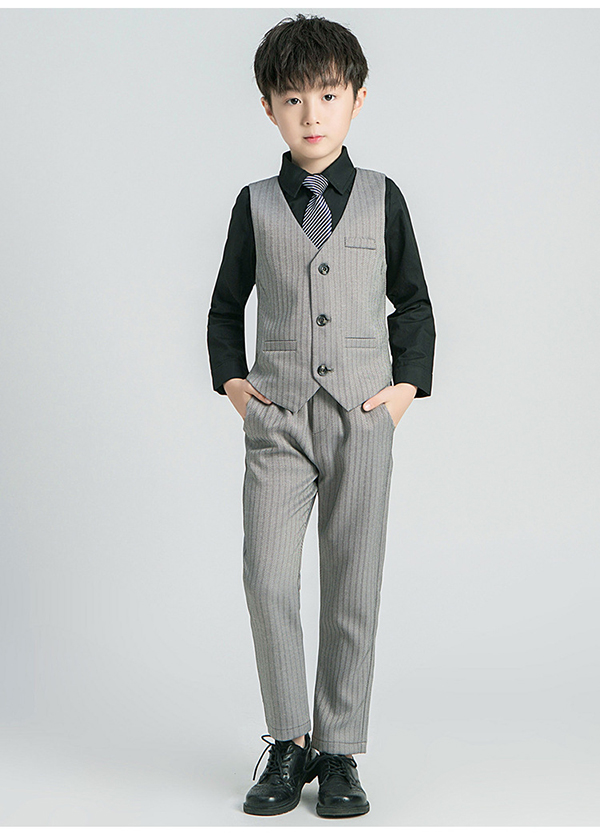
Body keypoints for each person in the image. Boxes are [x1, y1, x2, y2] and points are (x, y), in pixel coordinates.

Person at [206, 13, 436, 819]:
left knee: (352, 584)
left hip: (362, 418)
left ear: (357, 100)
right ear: (268, 106)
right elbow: (225, 306)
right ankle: (289, 740)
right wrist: (235, 386)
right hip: (279, 419)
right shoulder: (255, 205)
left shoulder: (381, 198)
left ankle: (338, 750)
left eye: (328, 95)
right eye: (293, 98)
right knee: (267, 577)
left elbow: (413, 302)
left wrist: (404, 391)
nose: (312, 114)